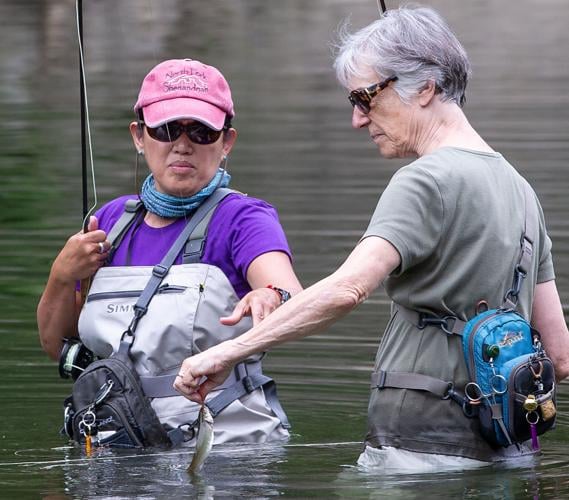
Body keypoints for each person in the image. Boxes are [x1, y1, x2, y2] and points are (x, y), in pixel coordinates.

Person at [174, 7, 569, 468]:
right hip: (510, 452)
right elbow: (559, 357)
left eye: (365, 98)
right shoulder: (522, 191)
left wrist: (227, 352)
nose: (359, 120)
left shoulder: (423, 180)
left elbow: (347, 289)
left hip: (417, 455)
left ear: (425, 88)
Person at [37, 58, 302, 445]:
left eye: (201, 132)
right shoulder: (109, 220)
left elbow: (294, 298)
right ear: (139, 136)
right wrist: (61, 275)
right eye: (165, 129)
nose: (182, 144)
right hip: (117, 444)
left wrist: (272, 295)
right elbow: (55, 345)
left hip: (222, 451)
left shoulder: (244, 218)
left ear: (226, 142)